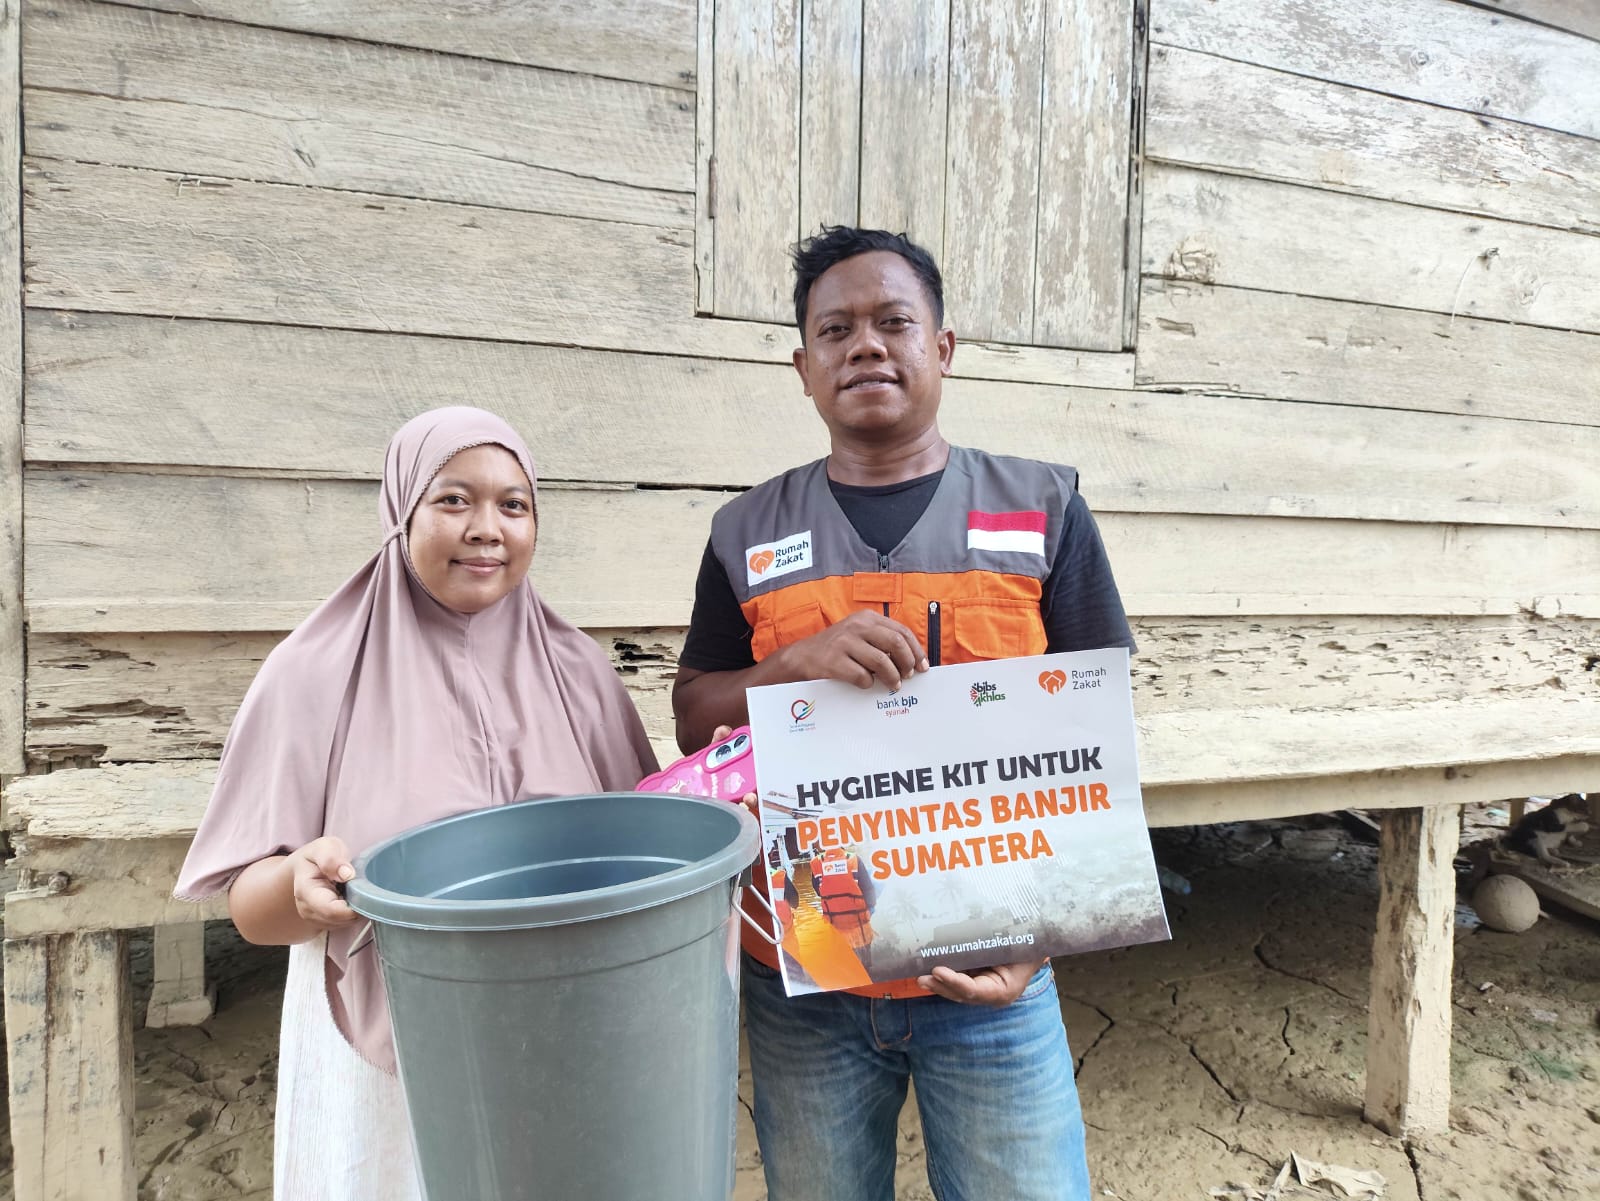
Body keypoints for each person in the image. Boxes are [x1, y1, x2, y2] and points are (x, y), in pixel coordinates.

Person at [671, 226, 1136, 1201]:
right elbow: (693, 715)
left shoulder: (1042, 509)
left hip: (993, 967)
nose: (866, 346)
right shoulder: (744, 532)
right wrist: (790, 666)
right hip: (807, 968)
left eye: (894, 322)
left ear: (944, 347)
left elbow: (1098, 732)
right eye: (835, 330)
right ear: (804, 368)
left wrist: (1039, 935)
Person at [176, 407, 658, 1199]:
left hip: (559, 1035)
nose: (486, 528)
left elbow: (645, 851)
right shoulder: (313, 674)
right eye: (453, 500)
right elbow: (250, 909)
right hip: (387, 1060)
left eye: (513, 504)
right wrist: (298, 881)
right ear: (402, 511)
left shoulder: (579, 673)